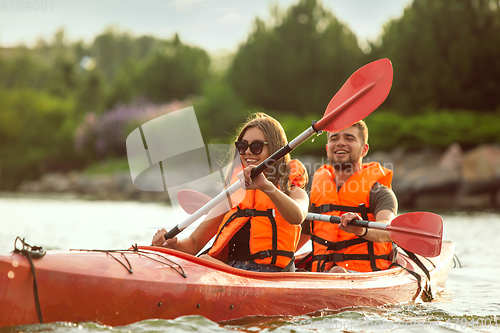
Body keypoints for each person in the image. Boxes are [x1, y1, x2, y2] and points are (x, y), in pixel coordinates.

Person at [152, 113, 309, 272]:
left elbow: (297, 216)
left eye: (256, 146)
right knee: (200, 260)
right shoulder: (232, 195)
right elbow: (193, 243)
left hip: (269, 276)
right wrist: (172, 245)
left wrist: (265, 185)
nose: (247, 152)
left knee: (204, 261)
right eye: (242, 146)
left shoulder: (294, 191)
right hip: (232, 272)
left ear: (275, 149)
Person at [301, 120, 397, 273]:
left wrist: (361, 230)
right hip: (320, 276)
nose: (340, 143)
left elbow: (390, 231)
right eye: (334, 138)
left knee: (337, 272)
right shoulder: (314, 194)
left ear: (364, 149)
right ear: (327, 149)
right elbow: (302, 235)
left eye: (349, 138)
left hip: (365, 276)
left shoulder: (379, 192)